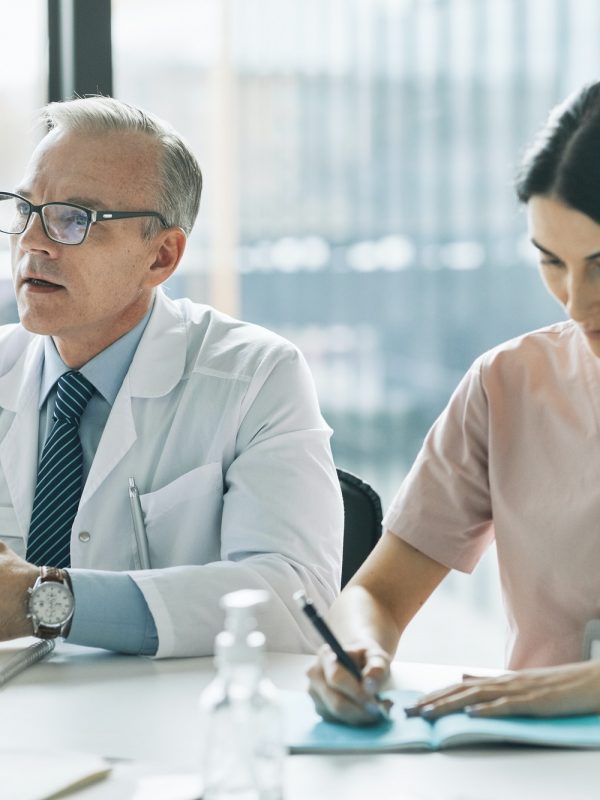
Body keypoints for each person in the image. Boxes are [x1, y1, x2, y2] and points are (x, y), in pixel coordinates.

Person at [0, 96, 343, 658]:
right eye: (24, 209)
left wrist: (46, 603)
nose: (32, 243)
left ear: (161, 256)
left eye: (72, 218)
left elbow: (293, 601)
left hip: (168, 725)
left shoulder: (257, 376)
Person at [307, 80, 600, 724]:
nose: (576, 303)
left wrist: (582, 688)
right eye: (553, 262)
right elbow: (379, 595)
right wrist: (355, 651)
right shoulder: (507, 384)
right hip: (529, 763)